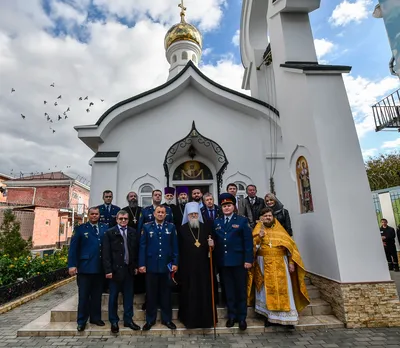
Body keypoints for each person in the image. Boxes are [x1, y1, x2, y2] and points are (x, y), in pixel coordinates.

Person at [247, 208, 310, 328]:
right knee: (266, 291)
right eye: (265, 216)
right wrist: (259, 238)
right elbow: (251, 248)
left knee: (285, 290)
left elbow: (291, 248)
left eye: (270, 215)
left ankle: (288, 319)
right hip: (263, 264)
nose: (268, 217)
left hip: (281, 264)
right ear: (261, 218)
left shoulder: (281, 231)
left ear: (273, 217)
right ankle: (269, 317)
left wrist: (291, 262)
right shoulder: (257, 230)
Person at [212, 193, 253, 330]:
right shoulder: (217, 222)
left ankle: (242, 318)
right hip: (224, 262)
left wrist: (248, 259)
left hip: (239, 262)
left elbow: (248, 242)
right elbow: (217, 241)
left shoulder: (241, 221)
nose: (226, 208)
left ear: (234, 206)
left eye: (229, 205)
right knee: (228, 290)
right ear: (221, 208)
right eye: (224, 206)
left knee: (240, 290)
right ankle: (232, 316)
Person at [139, 205, 178, 331]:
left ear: (166, 214)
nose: (160, 214)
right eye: (158, 212)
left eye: (163, 212)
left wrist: (175, 262)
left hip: (166, 266)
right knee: (151, 295)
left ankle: (167, 320)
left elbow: (175, 247)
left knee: (166, 294)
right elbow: (142, 247)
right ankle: (150, 320)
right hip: (151, 266)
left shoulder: (171, 227)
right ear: (154, 214)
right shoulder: (147, 226)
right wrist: (142, 264)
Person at [68, 207, 108, 332]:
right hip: (85, 268)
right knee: (84, 296)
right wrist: (72, 265)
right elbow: (73, 249)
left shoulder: (105, 228)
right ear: (88, 215)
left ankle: (95, 318)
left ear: (99, 215)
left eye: (96, 214)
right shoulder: (80, 229)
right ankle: (81, 321)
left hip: (99, 268)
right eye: (92, 214)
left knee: (97, 296)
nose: (94, 216)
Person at [178, 202, 216, 328]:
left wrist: (212, 245)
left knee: (204, 292)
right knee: (190, 292)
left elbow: (212, 246)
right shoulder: (182, 229)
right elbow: (178, 248)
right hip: (187, 268)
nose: (193, 216)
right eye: (191, 214)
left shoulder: (205, 227)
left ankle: (206, 321)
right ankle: (189, 320)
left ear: (198, 214)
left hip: (204, 267)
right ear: (187, 216)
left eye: (195, 214)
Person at [102, 210, 141, 333]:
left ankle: (128, 320)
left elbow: (135, 251)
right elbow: (106, 254)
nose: (123, 221)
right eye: (121, 219)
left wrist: (135, 266)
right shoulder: (110, 233)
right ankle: (114, 321)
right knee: (113, 297)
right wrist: (108, 270)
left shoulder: (133, 232)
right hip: (115, 271)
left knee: (129, 297)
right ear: (117, 219)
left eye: (125, 219)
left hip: (128, 270)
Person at [121, 192, 145, 295]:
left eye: (135, 196)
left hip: (140, 240)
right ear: (128, 199)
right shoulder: (124, 210)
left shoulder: (142, 210)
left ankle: (140, 288)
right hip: (127, 240)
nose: (133, 198)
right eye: (131, 196)